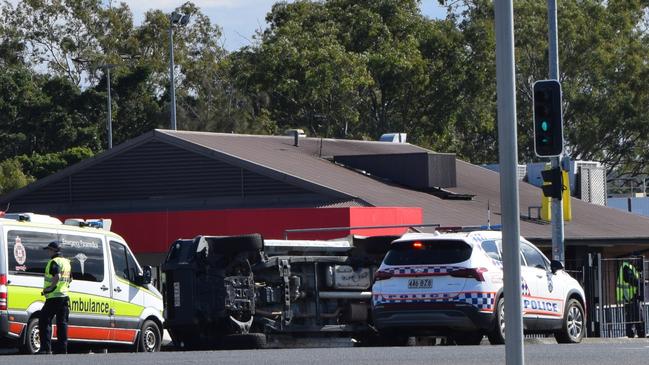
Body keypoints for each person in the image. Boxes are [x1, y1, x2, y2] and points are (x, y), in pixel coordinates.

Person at [38, 241, 72, 354]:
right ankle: (62, 350)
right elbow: (71, 278)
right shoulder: (66, 262)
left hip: (54, 297)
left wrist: (50, 288)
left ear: (53, 250)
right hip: (64, 296)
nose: (47, 252)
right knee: (62, 323)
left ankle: (45, 349)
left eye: (48, 250)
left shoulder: (54, 262)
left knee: (44, 320)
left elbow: (57, 276)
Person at [616, 260, 644, 338]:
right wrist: (640, 282)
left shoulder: (630, 267)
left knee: (632, 317)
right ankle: (640, 333)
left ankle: (633, 333)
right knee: (637, 316)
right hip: (631, 297)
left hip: (630, 297)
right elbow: (630, 279)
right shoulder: (627, 267)